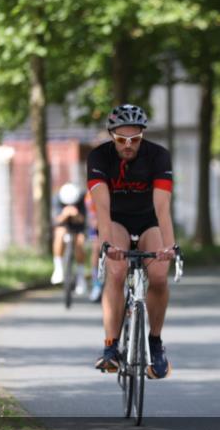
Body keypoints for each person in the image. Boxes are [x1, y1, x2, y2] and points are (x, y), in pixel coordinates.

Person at [87, 104, 177, 377]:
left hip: (149, 220)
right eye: (121, 139)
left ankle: (155, 342)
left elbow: (162, 206)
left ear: (142, 136)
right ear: (111, 135)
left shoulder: (158, 156)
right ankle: (111, 346)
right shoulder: (98, 157)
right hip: (116, 221)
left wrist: (169, 246)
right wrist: (107, 245)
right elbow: (102, 208)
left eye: (135, 139)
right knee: (116, 272)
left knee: (159, 277)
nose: (128, 145)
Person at [50, 182, 88, 295]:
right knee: (59, 233)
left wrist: (76, 215)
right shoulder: (57, 198)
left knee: (80, 242)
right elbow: (56, 221)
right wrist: (65, 214)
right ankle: (58, 268)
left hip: (78, 227)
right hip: (63, 225)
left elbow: (83, 220)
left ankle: (81, 276)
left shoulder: (82, 198)